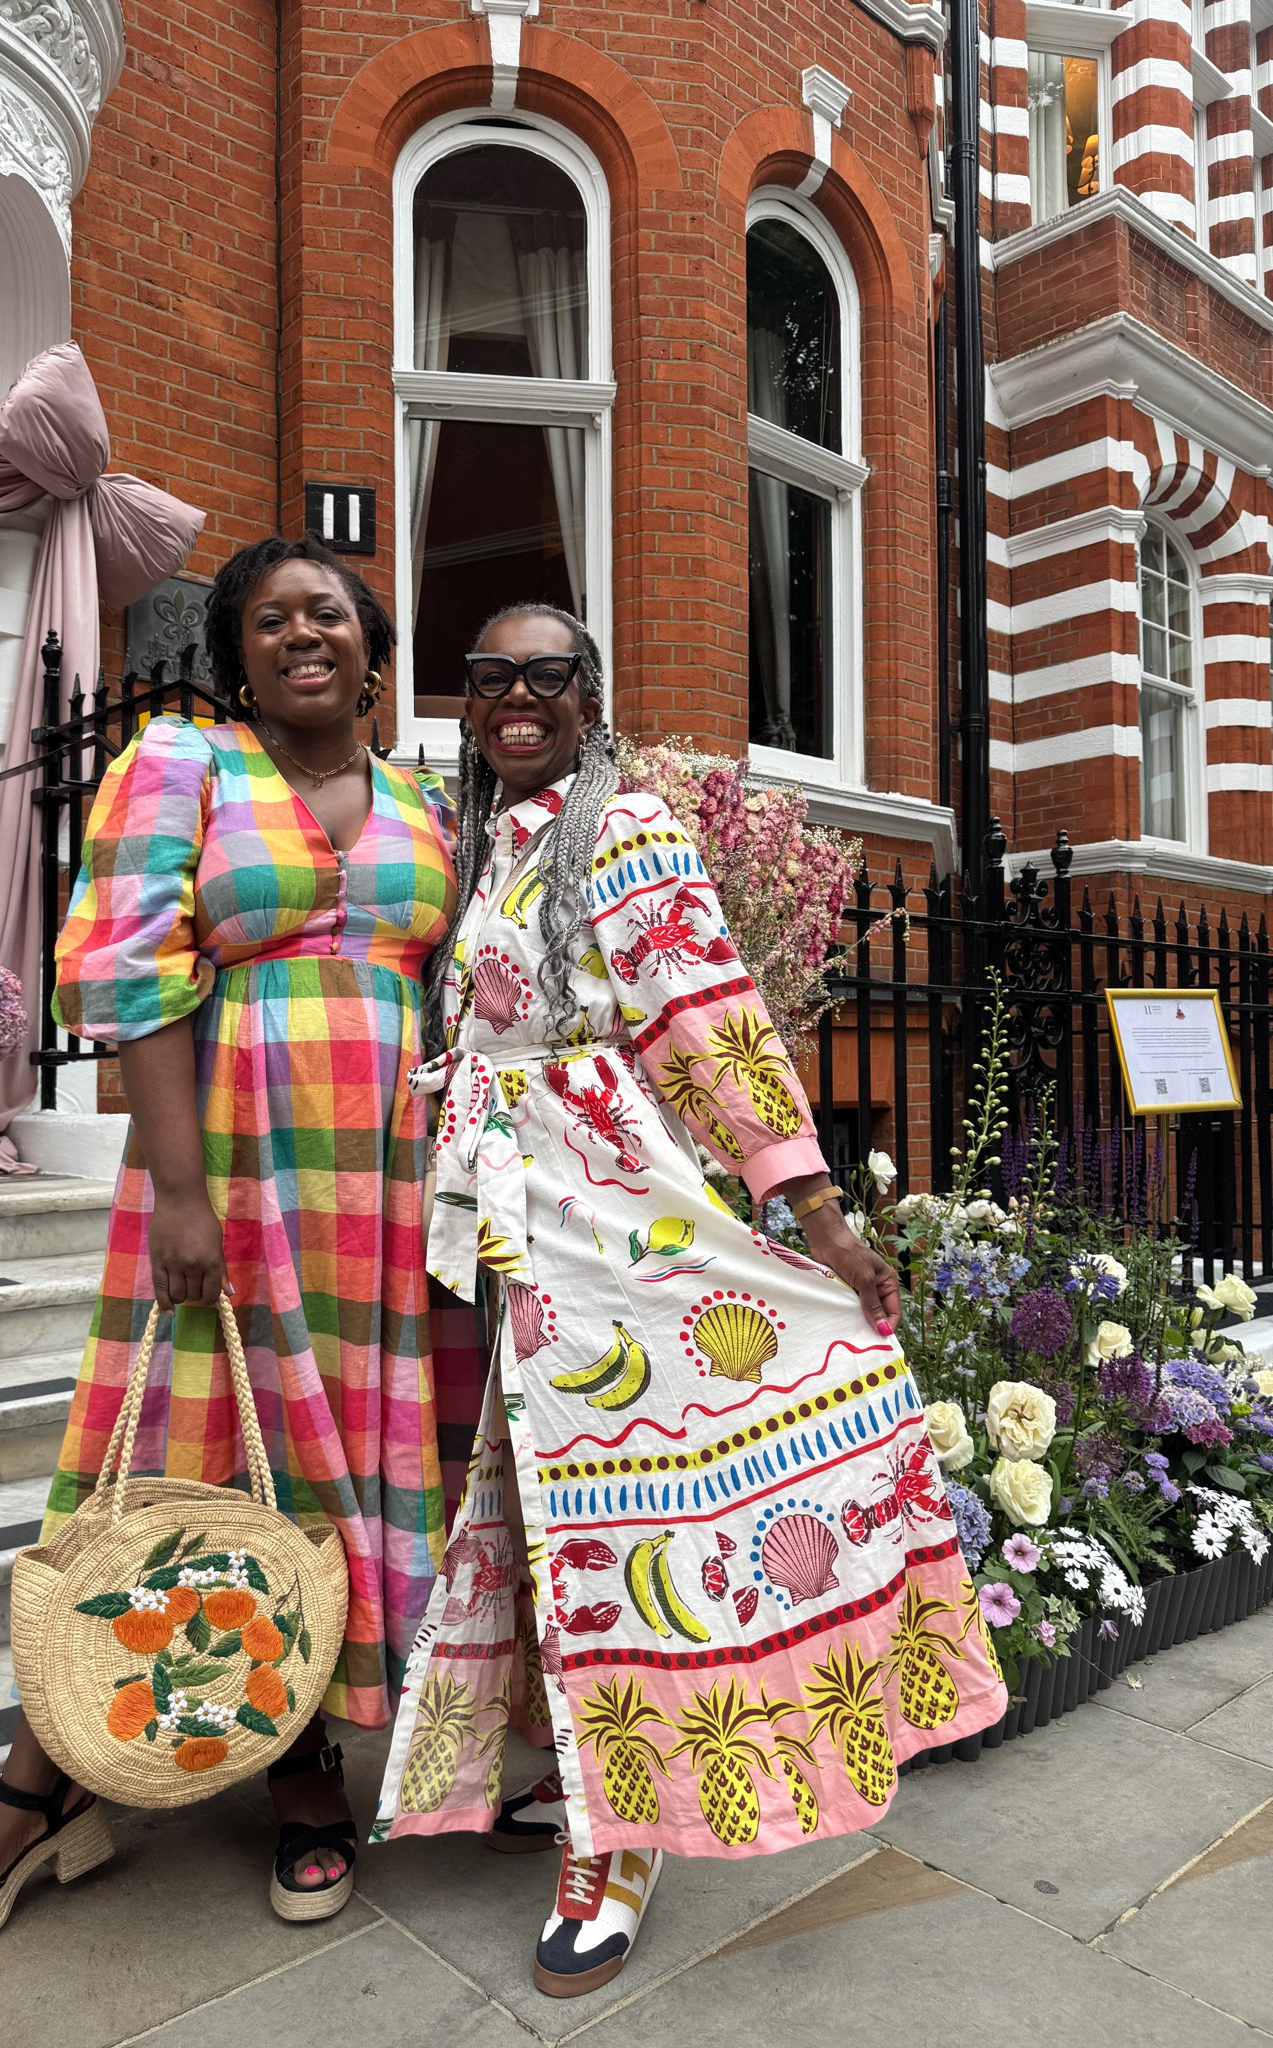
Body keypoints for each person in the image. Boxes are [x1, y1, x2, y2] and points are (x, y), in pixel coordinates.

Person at [374, 603, 1007, 1997]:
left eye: (549, 674)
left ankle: (621, 1839)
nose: (519, 697)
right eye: (492, 678)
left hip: (607, 1221)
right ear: (466, 702)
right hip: (507, 1225)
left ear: (591, 695)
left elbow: (713, 1019)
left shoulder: (629, 827)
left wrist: (818, 1213)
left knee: (628, 1513)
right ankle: (576, 1770)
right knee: (545, 1508)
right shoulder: (480, 839)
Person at [0, 536, 458, 1966]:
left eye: (326, 611)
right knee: (157, 1464)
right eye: (270, 619)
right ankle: (37, 1784)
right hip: (229, 1162)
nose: (299, 634)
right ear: (239, 652)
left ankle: (304, 1762)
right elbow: (132, 973)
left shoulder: (423, 801)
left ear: (371, 647)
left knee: (331, 1474)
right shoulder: (181, 768)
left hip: (382, 1194)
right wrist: (185, 1194)